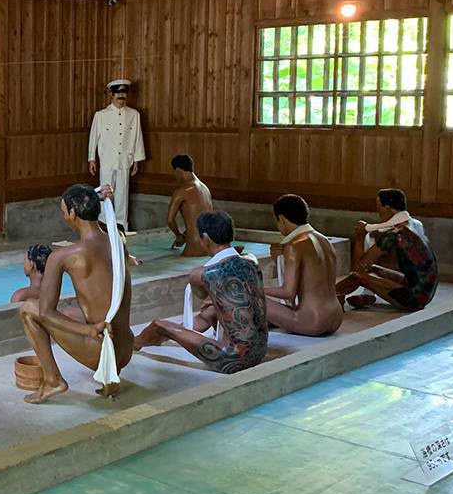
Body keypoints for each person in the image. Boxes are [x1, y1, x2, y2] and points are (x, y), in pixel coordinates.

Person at [19, 184, 132, 403]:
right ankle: (111, 380)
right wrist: (93, 199)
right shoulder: (117, 242)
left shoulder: (63, 256)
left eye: (64, 212)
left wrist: (88, 331)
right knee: (71, 311)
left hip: (101, 349)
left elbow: (45, 312)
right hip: (125, 348)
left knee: (29, 309)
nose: (64, 218)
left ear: (73, 213)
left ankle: (53, 380)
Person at [135, 210, 268, 374]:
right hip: (260, 351)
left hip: (233, 359)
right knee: (211, 311)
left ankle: (134, 343)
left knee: (159, 324)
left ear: (206, 238)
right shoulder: (251, 261)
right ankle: (172, 335)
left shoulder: (203, 274)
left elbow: (202, 296)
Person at [336, 189, 439, 312]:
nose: (378, 211)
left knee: (358, 276)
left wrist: (360, 237)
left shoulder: (394, 234)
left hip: (414, 299)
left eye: (378, 207)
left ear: (387, 208)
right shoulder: (416, 224)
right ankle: (367, 294)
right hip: (426, 293)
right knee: (372, 268)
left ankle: (330, 295)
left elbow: (359, 268)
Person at [263, 194, 343, 336]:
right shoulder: (325, 241)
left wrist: (257, 289)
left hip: (313, 321)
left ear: (281, 219)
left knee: (252, 299)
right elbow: (313, 276)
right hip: (336, 317)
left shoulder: (294, 245)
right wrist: (280, 260)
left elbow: (288, 292)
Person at [87, 78, 146, 230]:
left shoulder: (134, 115)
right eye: (118, 93)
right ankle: (104, 225)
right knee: (105, 193)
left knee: (122, 195)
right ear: (111, 95)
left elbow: (138, 137)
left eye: (124, 93)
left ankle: (121, 228)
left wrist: (137, 160)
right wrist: (92, 159)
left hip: (125, 161)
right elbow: (94, 137)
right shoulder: (101, 115)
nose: (121, 96)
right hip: (107, 160)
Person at [165, 154, 213, 257]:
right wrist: (185, 235)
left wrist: (178, 236)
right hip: (208, 247)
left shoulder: (182, 191)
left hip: (193, 247)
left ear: (178, 170)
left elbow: (170, 220)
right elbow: (202, 219)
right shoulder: (205, 188)